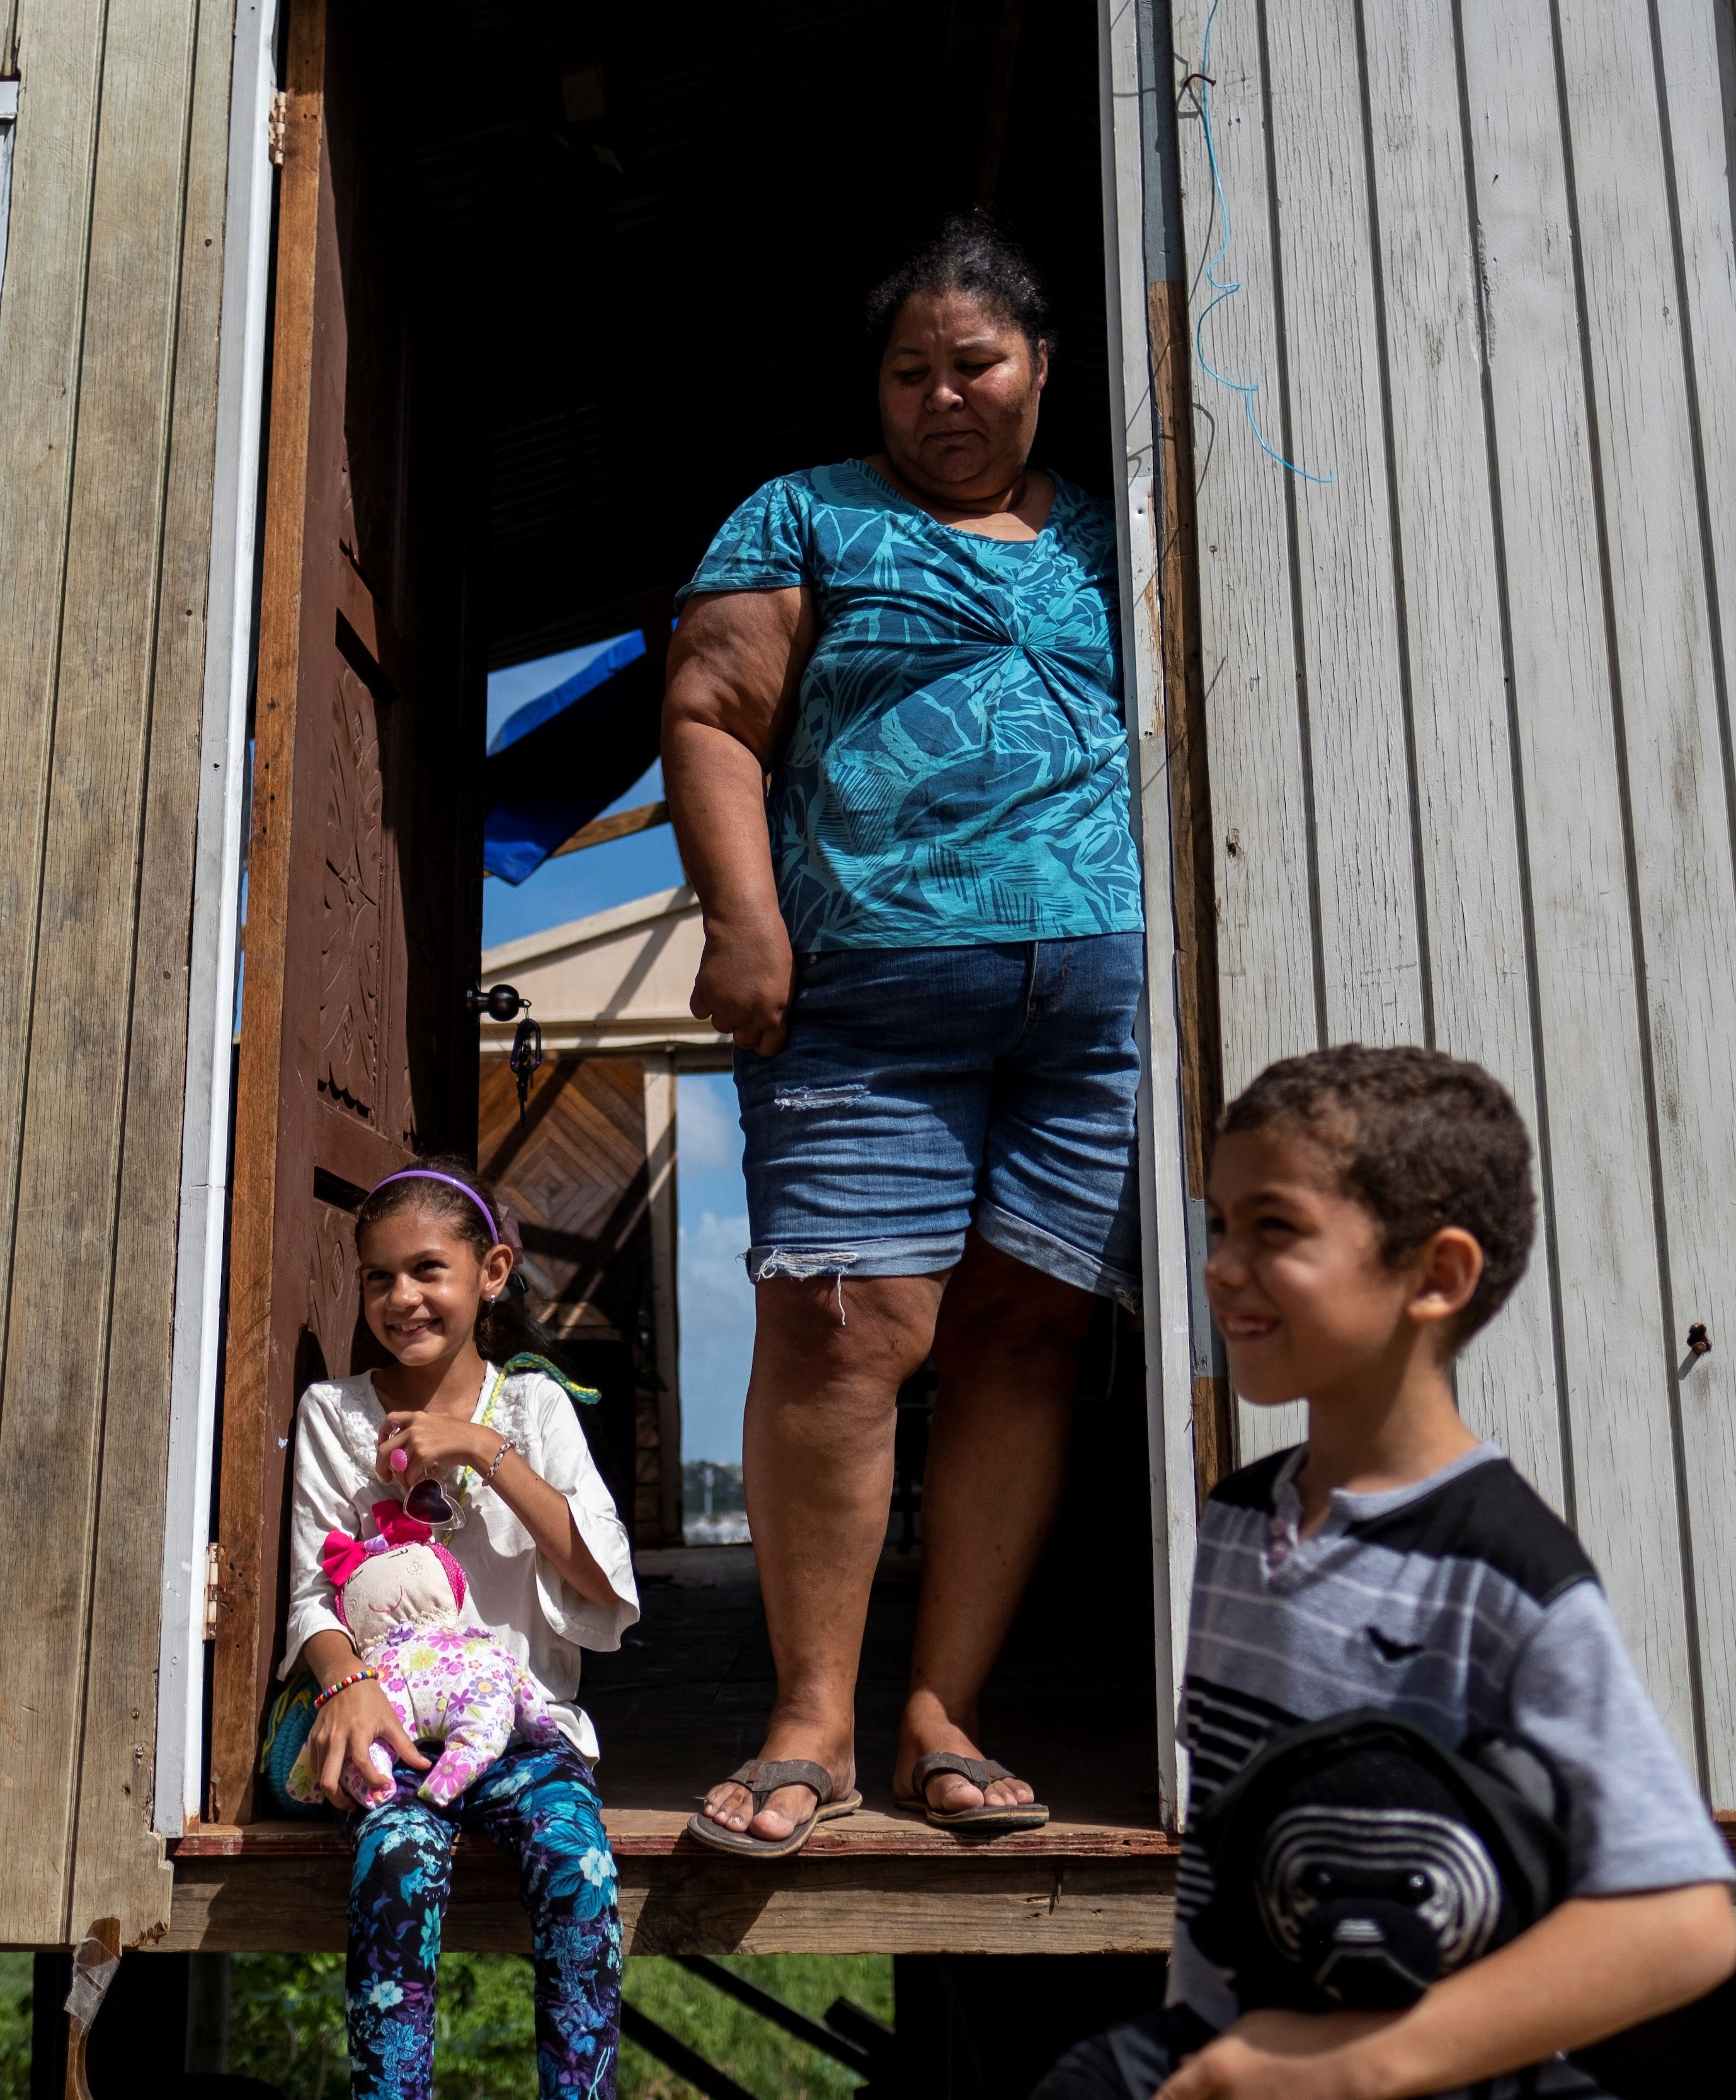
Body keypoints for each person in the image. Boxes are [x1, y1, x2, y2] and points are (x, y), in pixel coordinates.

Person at [665, 214, 1142, 1854]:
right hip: (863, 993)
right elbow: (716, 715)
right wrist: (744, 920)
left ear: (1042, 370)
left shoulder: (1107, 533)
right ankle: (815, 1720)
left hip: (1090, 1004)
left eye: (978, 364)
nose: (946, 396)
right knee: (845, 1330)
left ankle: (947, 1711)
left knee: (1026, 1335)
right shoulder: (804, 515)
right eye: (911, 370)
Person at [1037, 1047, 1736, 2100]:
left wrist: (1358, 2066)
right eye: (1219, 1225)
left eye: (1274, 1228)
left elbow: (1681, 1921)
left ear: (1438, 1274)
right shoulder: (1235, 1524)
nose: (1221, 1264)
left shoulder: (1506, 1574)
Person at [280, 1159, 641, 2100]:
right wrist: (344, 1681)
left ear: (491, 1271)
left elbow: (601, 1573)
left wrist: (483, 1448)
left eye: (428, 1269)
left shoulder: (533, 1407)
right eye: (378, 1276)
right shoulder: (334, 1414)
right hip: (392, 1730)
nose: (402, 1297)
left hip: (523, 1731)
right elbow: (310, 1599)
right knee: (392, 1862)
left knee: (580, 1865)